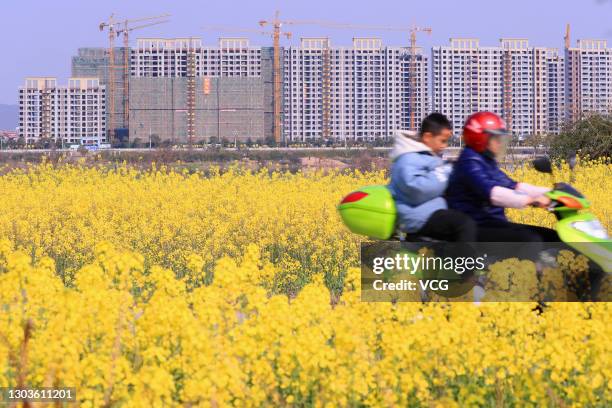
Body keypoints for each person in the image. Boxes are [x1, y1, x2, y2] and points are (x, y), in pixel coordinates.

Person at [446, 111, 557, 244]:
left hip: (493, 223)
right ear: (481, 139)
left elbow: (513, 185)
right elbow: (491, 192)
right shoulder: (469, 163)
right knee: (531, 241)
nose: (499, 144)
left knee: (551, 237)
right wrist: (531, 200)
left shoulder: (486, 161)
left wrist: (552, 193)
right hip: (478, 227)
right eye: (496, 139)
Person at [388, 113, 477, 242]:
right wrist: (446, 171)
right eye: (442, 140)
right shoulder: (407, 158)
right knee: (464, 224)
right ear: (428, 137)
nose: (444, 146)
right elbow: (415, 188)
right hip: (418, 217)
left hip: (431, 213)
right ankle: (466, 262)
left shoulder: (426, 156)